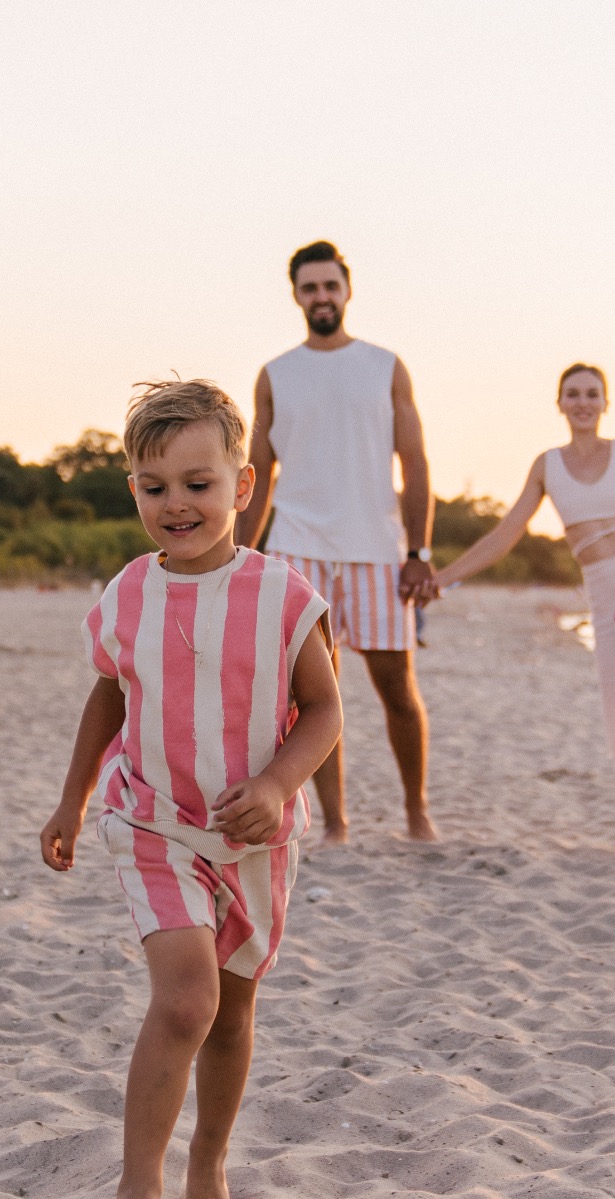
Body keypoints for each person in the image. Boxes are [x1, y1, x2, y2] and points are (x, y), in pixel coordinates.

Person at [39, 379, 342, 1199]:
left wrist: (281, 783)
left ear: (243, 486)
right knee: (186, 1000)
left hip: (254, 838)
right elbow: (109, 692)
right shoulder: (130, 593)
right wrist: (75, 796)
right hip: (154, 821)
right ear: (132, 488)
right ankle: (138, 1189)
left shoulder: (284, 596)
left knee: (234, 1012)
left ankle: (210, 1162)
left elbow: (325, 712)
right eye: (154, 484)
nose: (177, 503)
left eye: (198, 484)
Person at [435, 364, 615, 854]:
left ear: (606, 402)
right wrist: (444, 577)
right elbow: (505, 534)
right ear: (560, 403)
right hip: (608, 602)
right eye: (573, 394)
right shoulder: (547, 465)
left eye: (592, 393)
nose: (583, 402)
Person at [240, 240, 438, 842]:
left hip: (377, 549)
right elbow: (256, 472)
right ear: (296, 295)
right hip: (297, 548)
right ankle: (335, 825)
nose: (321, 297)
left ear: (347, 291)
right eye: (310, 288)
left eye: (330, 286)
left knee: (397, 690)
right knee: (312, 696)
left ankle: (415, 812)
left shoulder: (385, 365)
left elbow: (415, 461)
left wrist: (418, 553)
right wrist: (242, 558)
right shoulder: (276, 374)